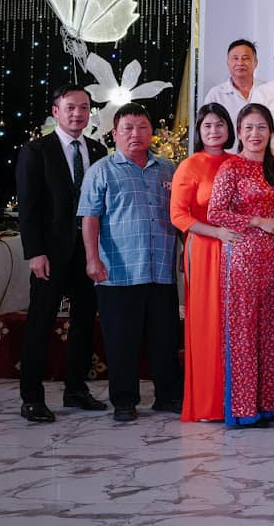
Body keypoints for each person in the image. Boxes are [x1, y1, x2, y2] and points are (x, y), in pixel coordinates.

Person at [78, 103, 181, 422]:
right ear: (115, 134)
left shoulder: (168, 170)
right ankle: (124, 401)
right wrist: (92, 259)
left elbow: (180, 216)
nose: (135, 134)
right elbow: (90, 218)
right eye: (128, 128)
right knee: (121, 340)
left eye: (142, 127)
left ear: (152, 132)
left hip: (160, 269)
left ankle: (168, 396)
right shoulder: (101, 170)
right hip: (118, 272)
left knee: (165, 338)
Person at [16, 84, 108, 422]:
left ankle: (76, 389)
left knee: (84, 321)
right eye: (70, 107)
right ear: (56, 112)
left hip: (88, 252)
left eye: (84, 108)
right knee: (40, 322)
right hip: (50, 254)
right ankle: (32, 397)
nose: (78, 114)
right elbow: (28, 207)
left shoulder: (97, 150)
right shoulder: (36, 151)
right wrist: (35, 252)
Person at [207, 103, 274, 427]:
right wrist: (257, 221)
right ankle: (244, 409)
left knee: (270, 331)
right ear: (239, 132)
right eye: (249, 128)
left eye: (262, 127)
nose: (255, 134)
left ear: (270, 132)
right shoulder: (232, 167)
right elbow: (215, 212)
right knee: (243, 331)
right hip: (242, 258)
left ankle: (270, 404)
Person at [169, 103, 235, 422]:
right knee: (207, 322)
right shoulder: (190, 165)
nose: (214, 131)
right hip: (204, 249)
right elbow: (178, 215)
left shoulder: (236, 162)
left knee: (233, 323)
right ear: (198, 131)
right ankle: (208, 402)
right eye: (207, 126)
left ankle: (235, 399)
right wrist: (216, 232)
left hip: (236, 248)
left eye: (219, 124)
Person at [203, 39, 262, 130]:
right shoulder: (216, 94)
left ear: (255, 62)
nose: (240, 63)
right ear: (228, 63)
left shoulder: (267, 90)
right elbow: (206, 128)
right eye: (235, 58)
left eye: (245, 58)